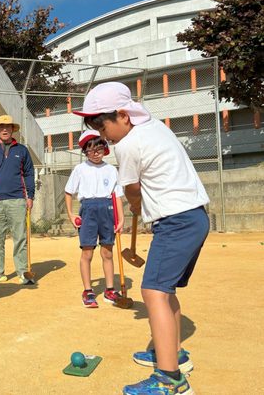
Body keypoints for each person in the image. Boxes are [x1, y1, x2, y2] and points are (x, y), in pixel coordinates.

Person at [75, 82, 209, 395]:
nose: (100, 133)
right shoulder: (155, 128)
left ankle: (169, 379)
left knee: (152, 292)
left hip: (176, 220)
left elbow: (132, 189)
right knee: (165, 290)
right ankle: (173, 354)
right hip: (194, 217)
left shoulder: (127, 145)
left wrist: (137, 205)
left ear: (122, 115)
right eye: (92, 125)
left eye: (101, 123)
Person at [65, 129, 124, 308]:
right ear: (85, 152)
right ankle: (88, 291)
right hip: (88, 211)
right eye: (90, 150)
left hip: (107, 210)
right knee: (87, 252)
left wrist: (120, 218)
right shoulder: (80, 169)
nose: (95, 153)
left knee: (107, 252)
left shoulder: (111, 170)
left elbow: (117, 196)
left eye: (99, 149)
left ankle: (110, 290)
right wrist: (71, 214)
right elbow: (69, 192)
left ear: (105, 149)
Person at [0, 115, 35, 285]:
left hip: (18, 200)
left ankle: (22, 272)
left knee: (20, 237)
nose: (5, 130)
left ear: (12, 129)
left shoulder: (22, 150)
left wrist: (30, 196)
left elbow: (29, 174)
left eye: (8, 127)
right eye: (1, 127)